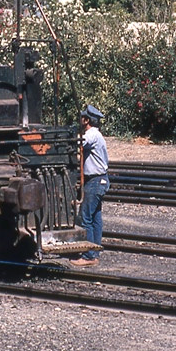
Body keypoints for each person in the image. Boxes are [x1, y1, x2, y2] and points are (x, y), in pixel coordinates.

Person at [73, 104, 109, 267]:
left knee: (85, 217)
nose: (80, 120)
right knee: (95, 217)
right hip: (99, 180)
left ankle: (89, 256)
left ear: (86, 120)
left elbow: (79, 143)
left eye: (82, 118)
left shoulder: (92, 135)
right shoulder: (97, 134)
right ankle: (94, 251)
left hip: (94, 181)